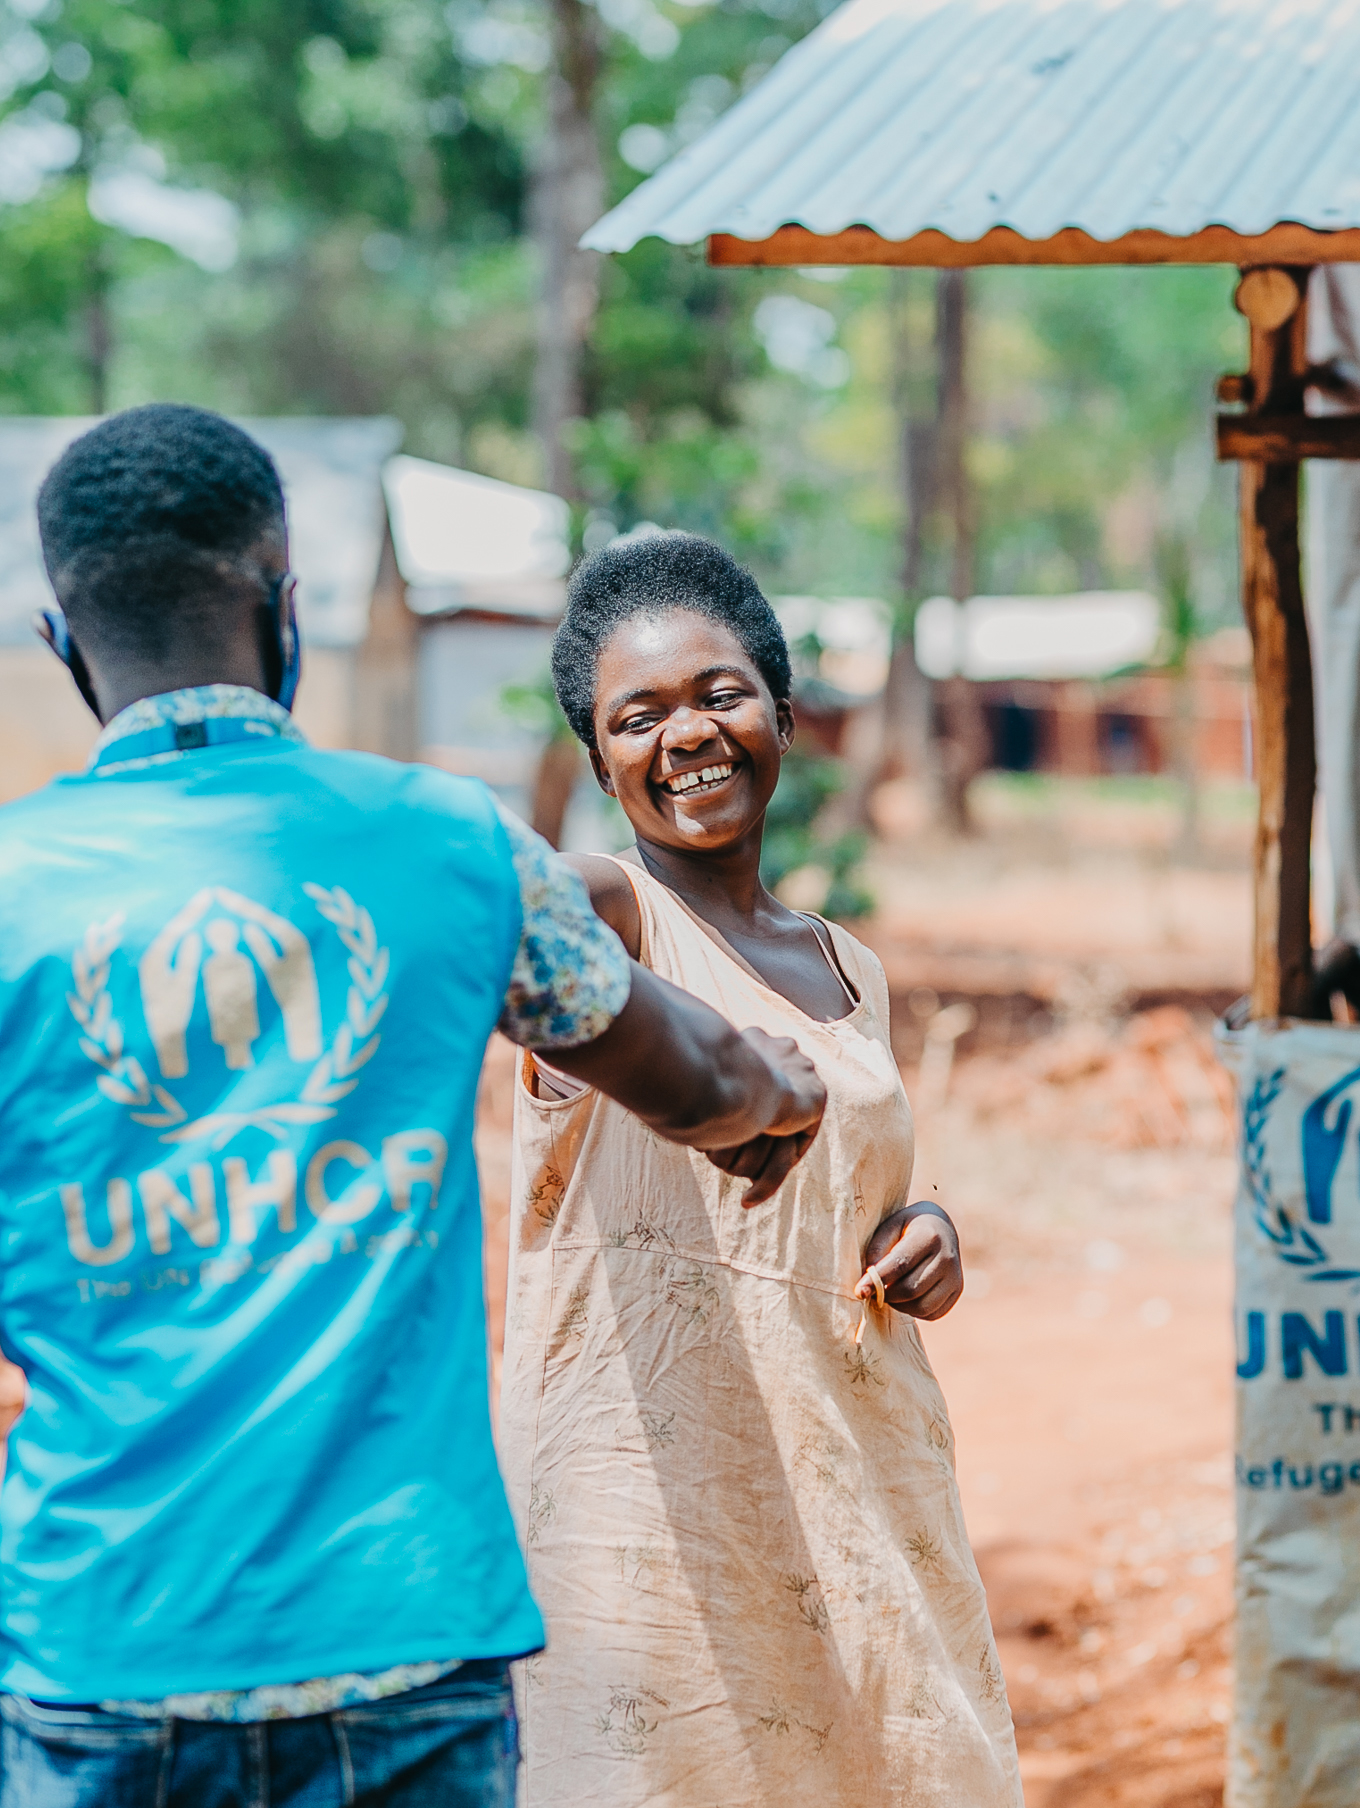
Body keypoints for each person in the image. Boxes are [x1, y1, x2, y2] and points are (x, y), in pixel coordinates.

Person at [0, 406, 826, 1808]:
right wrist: (784, 1102)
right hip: (410, 1660)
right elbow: (699, 1078)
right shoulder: (452, 846)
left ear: (63, 644)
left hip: (106, 1666)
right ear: (286, 611)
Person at [499, 531, 1023, 1807]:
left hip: (855, 1481)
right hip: (645, 1507)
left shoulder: (850, 966)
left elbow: (871, 1181)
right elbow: (516, 915)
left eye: (719, 694)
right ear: (599, 760)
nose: (686, 733)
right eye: (638, 715)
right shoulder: (608, 918)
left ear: (783, 715)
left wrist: (931, 1226)